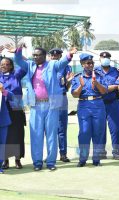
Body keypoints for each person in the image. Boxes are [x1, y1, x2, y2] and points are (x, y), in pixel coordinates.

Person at [5, 43, 77, 171]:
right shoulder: (30, 65)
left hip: (51, 105)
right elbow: (19, 60)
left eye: (38, 55)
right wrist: (17, 51)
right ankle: (37, 163)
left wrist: (69, 54)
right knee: (36, 135)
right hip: (35, 106)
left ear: (44, 56)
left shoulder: (52, 65)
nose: (35, 57)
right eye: (33, 55)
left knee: (51, 135)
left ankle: (50, 162)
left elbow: (62, 62)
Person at [71, 53, 107, 167]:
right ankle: (83, 158)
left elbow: (104, 91)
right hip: (84, 105)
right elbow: (75, 94)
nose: (90, 65)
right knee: (84, 132)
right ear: (82, 64)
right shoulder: (77, 77)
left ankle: (96, 160)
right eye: (87, 63)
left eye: (92, 63)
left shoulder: (99, 75)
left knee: (98, 132)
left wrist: (96, 83)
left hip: (98, 104)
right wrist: (81, 86)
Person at [95, 51, 119, 160]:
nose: (105, 59)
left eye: (107, 57)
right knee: (100, 128)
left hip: (113, 103)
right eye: (102, 57)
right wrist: (112, 87)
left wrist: (106, 88)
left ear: (110, 59)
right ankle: (101, 152)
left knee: (116, 128)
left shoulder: (116, 72)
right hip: (99, 103)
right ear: (100, 59)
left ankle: (116, 152)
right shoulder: (95, 71)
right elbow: (96, 87)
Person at [0, 57, 26, 169]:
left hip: (16, 107)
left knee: (17, 133)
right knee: (4, 135)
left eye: (6, 64)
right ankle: (5, 160)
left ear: (11, 66)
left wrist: (18, 54)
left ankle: (17, 159)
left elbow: (25, 67)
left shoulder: (16, 75)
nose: (3, 66)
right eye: (2, 64)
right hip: (2, 108)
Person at [48, 48, 73, 163]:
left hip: (61, 97)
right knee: (49, 128)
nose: (54, 57)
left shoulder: (66, 67)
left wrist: (69, 81)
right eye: (53, 56)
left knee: (62, 127)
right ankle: (50, 155)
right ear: (50, 56)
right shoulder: (46, 67)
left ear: (60, 57)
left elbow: (67, 87)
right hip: (49, 99)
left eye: (57, 56)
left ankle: (63, 154)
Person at [0, 82, 11, 174]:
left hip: (3, 120)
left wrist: (4, 91)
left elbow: (12, 97)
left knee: (2, 144)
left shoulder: (1, 85)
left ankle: (0, 165)